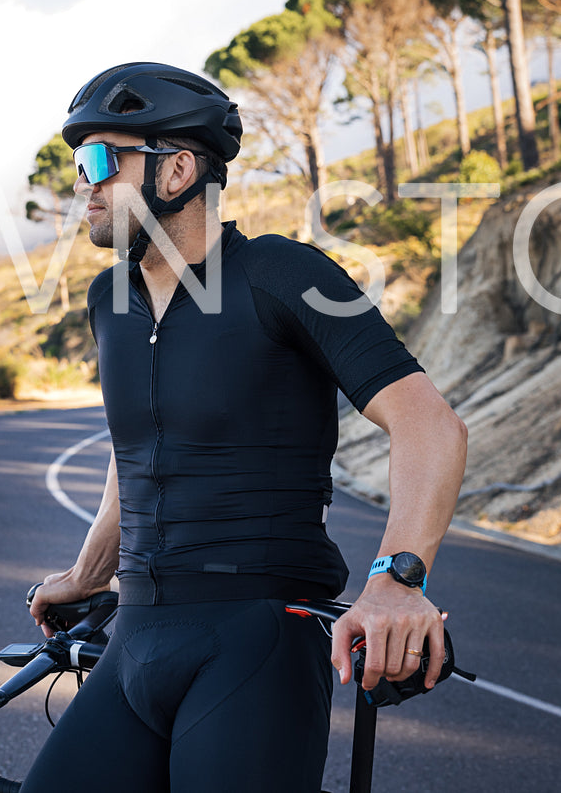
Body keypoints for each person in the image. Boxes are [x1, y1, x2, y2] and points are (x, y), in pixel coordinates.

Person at [24, 62, 467, 793]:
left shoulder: (285, 275)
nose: (84, 183)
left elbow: (428, 425)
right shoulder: (110, 300)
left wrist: (396, 578)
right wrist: (87, 572)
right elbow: (131, 452)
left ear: (176, 170)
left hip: (256, 636)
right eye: (78, 163)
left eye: (101, 159)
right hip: (137, 637)